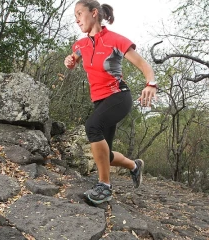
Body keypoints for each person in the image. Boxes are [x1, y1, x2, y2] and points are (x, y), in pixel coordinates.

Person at [64, 0, 157, 204]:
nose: (77, 19)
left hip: (118, 96)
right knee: (105, 154)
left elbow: (144, 65)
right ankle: (134, 166)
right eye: (75, 16)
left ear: (94, 13)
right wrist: (69, 61)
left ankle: (104, 186)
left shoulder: (116, 40)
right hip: (99, 101)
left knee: (92, 126)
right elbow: (74, 58)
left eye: (79, 13)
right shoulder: (80, 45)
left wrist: (151, 84)